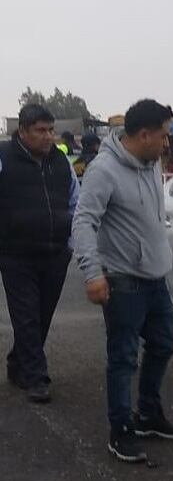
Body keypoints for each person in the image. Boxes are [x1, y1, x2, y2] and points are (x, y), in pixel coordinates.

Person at [73, 99, 173, 463]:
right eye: (164, 136)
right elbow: (83, 222)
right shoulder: (104, 170)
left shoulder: (151, 164)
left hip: (155, 279)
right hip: (123, 282)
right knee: (123, 359)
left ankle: (148, 416)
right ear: (143, 135)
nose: (168, 145)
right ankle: (120, 431)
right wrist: (92, 274)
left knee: (163, 344)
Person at [0, 104, 79, 404]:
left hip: (56, 253)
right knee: (26, 316)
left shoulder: (60, 161)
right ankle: (36, 377)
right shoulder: (4, 158)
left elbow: (75, 201)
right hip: (15, 254)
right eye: (40, 131)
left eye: (51, 130)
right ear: (22, 131)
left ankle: (18, 363)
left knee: (41, 315)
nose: (48, 137)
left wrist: (70, 244)